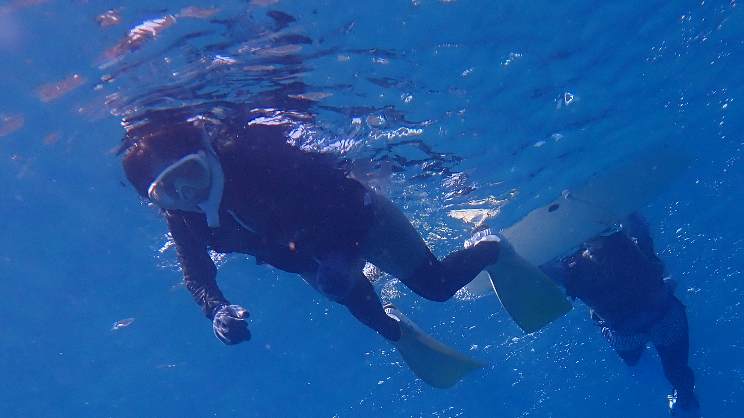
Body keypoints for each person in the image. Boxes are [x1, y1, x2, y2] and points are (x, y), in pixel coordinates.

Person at [120, 113, 564, 387]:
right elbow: (198, 274)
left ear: (206, 154)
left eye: (191, 174)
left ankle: (489, 247)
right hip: (311, 260)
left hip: (361, 221)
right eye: (168, 191)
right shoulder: (183, 217)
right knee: (374, 320)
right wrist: (215, 310)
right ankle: (396, 331)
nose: (187, 194)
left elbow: (344, 197)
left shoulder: (253, 158)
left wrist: (341, 255)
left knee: (436, 287)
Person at [539, 212, 705, 418]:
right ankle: (684, 399)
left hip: (626, 331)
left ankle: (672, 388)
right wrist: (627, 210)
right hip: (663, 319)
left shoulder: (572, 269)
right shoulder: (626, 246)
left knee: (636, 359)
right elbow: (639, 228)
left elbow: (545, 271)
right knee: (677, 370)